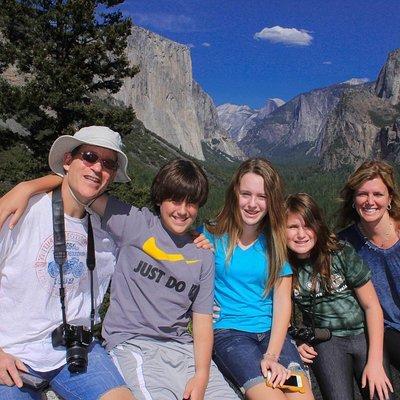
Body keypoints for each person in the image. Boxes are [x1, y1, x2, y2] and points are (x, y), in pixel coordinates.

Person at [0, 159, 239, 400]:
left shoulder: (202, 254)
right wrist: (27, 187)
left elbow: (202, 320)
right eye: (175, 200)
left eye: (192, 203)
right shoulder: (134, 223)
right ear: (159, 199)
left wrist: (201, 375)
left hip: (184, 350)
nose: (182, 210)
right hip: (134, 346)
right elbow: (81, 188)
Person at [0, 126, 134, 399]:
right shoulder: (21, 214)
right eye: (89, 156)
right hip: (13, 354)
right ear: (67, 161)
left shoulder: (108, 232)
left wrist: (196, 239)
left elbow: (162, 232)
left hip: (77, 347)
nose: (97, 168)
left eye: (108, 163)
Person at [202, 158, 314, 400]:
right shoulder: (211, 235)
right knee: (270, 396)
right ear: (235, 194)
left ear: (271, 200)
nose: (253, 204)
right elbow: (188, 276)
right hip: (230, 336)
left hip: (273, 336)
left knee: (300, 395)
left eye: (262, 196)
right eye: (246, 194)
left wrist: (272, 355)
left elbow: (283, 302)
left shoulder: (275, 242)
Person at [285, 192, 393, 400]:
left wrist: (376, 362)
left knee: (382, 395)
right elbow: (280, 312)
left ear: (318, 226)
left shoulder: (340, 252)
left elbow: (372, 306)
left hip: (362, 334)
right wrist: (297, 342)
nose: (301, 234)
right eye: (292, 227)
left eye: (308, 225)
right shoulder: (283, 265)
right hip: (327, 341)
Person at [337, 160, 400, 373]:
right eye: (362, 194)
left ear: (390, 198)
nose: (369, 201)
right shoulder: (344, 244)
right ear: (354, 199)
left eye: (378, 194)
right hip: (387, 329)